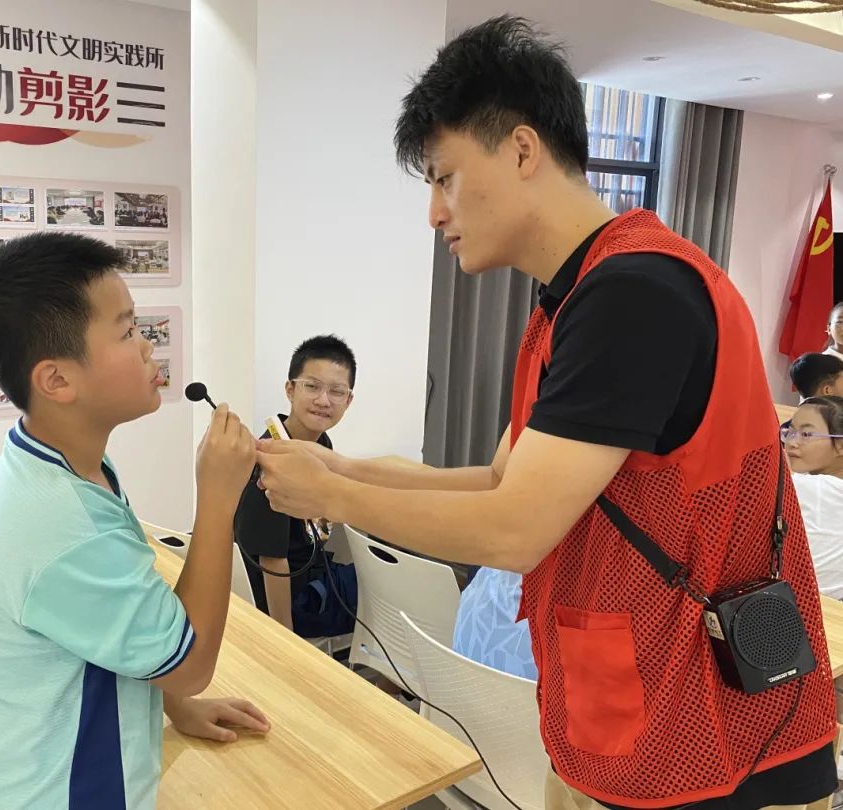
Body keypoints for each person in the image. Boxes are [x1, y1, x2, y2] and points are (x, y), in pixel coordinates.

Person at [255, 16, 836, 810]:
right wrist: (343, 466)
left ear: (522, 150)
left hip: (709, 731)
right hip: (625, 707)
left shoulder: (634, 294)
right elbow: (503, 480)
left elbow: (513, 531)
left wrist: (332, 495)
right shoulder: (571, 298)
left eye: (444, 177)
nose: (434, 213)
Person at [0, 232, 268, 809]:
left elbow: (113, 623)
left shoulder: (62, 463)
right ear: (57, 380)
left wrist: (176, 706)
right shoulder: (61, 524)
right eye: (127, 331)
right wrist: (219, 499)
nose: (147, 346)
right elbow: (191, 665)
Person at [235, 335, 358, 638]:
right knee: (387, 586)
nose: (323, 400)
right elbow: (272, 561)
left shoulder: (320, 444)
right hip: (291, 601)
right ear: (290, 390)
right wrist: (285, 640)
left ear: (349, 400)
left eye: (336, 391)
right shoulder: (270, 460)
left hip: (312, 574)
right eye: (312, 386)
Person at [784, 397, 843, 600]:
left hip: (796, 605)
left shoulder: (807, 487)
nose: (792, 443)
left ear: (840, 445)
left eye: (806, 434)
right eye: (790, 432)